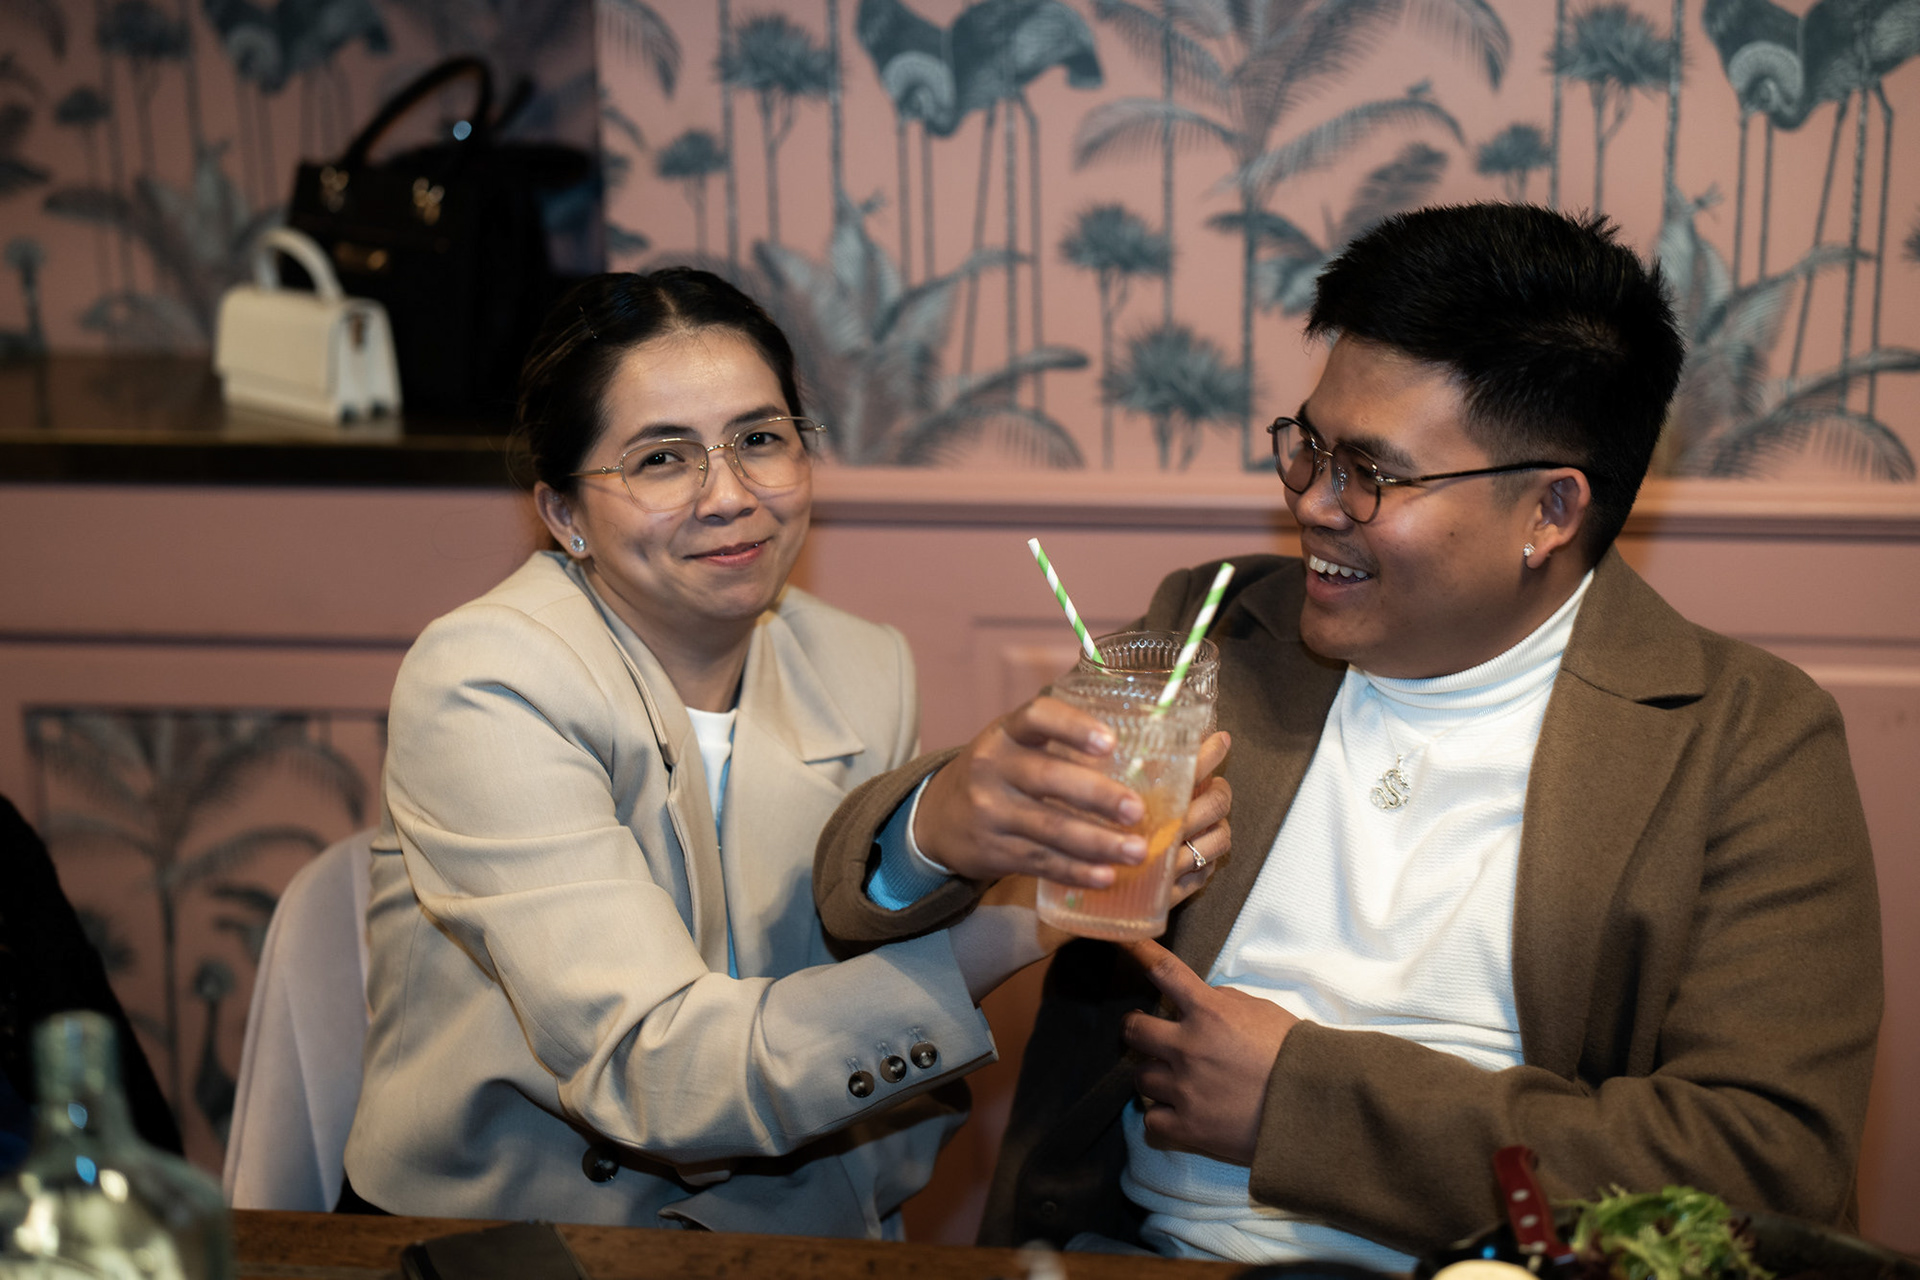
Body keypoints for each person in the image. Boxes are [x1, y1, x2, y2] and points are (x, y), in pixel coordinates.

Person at [814, 204, 1882, 1266]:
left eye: (1373, 473)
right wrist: (940, 828)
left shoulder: (1742, 740)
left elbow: (1765, 1158)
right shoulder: (1215, 633)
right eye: (1311, 447)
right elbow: (863, 891)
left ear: (1550, 512)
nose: (1316, 504)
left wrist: (1301, 1100)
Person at [340, 269, 1231, 1234]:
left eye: (760, 440)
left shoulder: (862, 667)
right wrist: (1026, 923)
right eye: (661, 459)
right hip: (514, 1240)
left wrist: (1049, 866)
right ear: (563, 515)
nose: (730, 496)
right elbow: (660, 1073)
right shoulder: (489, 678)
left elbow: (892, 1099)